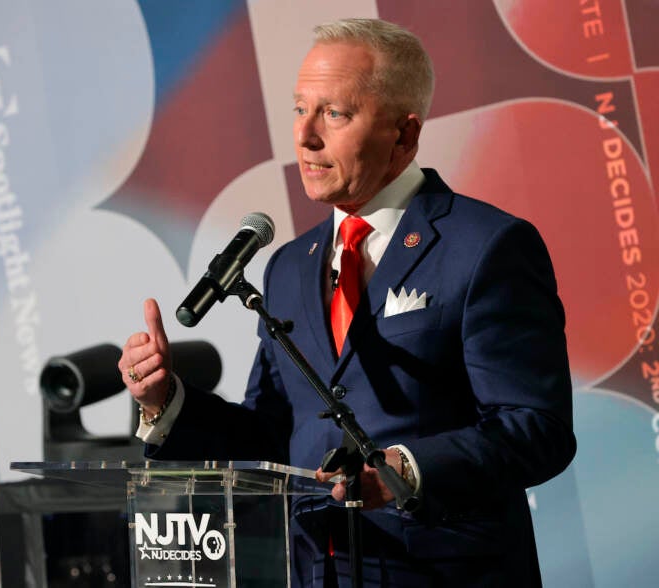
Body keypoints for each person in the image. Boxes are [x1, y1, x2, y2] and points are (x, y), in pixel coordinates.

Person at [119, 18, 576, 587]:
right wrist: (167, 403)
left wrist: (405, 471)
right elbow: (274, 436)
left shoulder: (486, 246)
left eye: (334, 114)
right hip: (321, 572)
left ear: (404, 136)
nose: (305, 136)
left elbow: (535, 428)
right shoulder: (288, 267)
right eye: (299, 109)